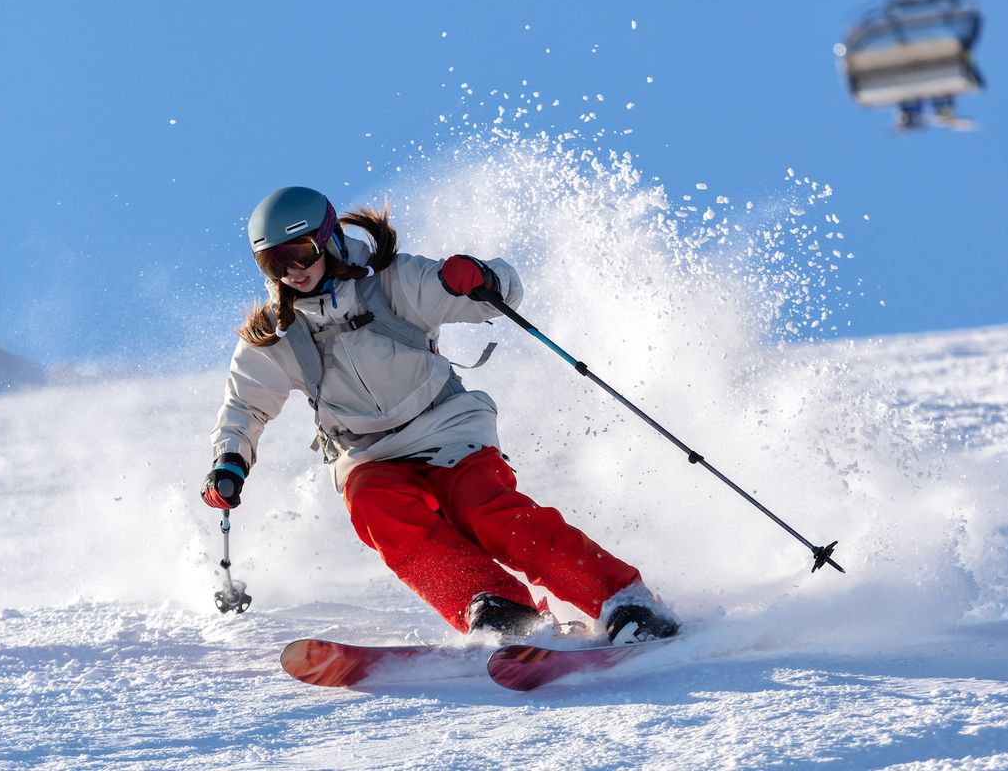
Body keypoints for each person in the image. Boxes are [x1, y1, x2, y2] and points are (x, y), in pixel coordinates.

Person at [201, 186, 680, 644]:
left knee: (487, 513)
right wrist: (230, 460)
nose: (292, 271)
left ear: (329, 241)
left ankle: (623, 600)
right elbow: (244, 405)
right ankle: (497, 607)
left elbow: (503, 294)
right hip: (366, 453)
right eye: (274, 261)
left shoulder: (393, 283)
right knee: (377, 510)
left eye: (301, 252)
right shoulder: (276, 333)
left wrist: (478, 279)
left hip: (446, 427)